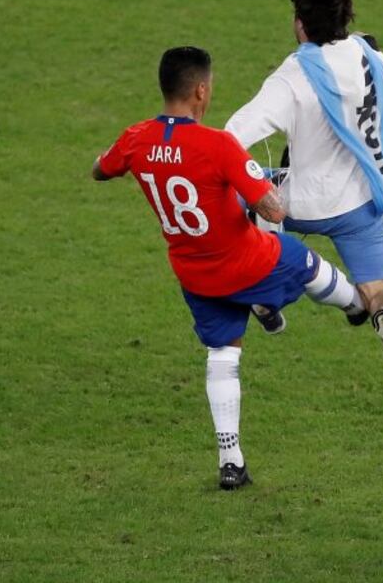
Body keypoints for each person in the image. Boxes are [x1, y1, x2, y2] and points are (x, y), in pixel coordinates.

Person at [92, 46, 367, 490]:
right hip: (248, 262)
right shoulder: (219, 145)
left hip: (195, 274)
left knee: (222, 355)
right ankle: (358, 305)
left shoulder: (135, 138)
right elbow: (274, 212)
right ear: (201, 90)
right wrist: (264, 178)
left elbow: (99, 170)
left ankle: (231, 461)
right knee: (307, 263)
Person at [225, 0, 383, 382]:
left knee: (248, 184)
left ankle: (263, 290)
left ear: (299, 23)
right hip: (363, 204)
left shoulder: (295, 75)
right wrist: (376, 57)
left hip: (298, 204)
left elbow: (233, 135)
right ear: (347, 17)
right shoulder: (368, 56)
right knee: (379, 290)